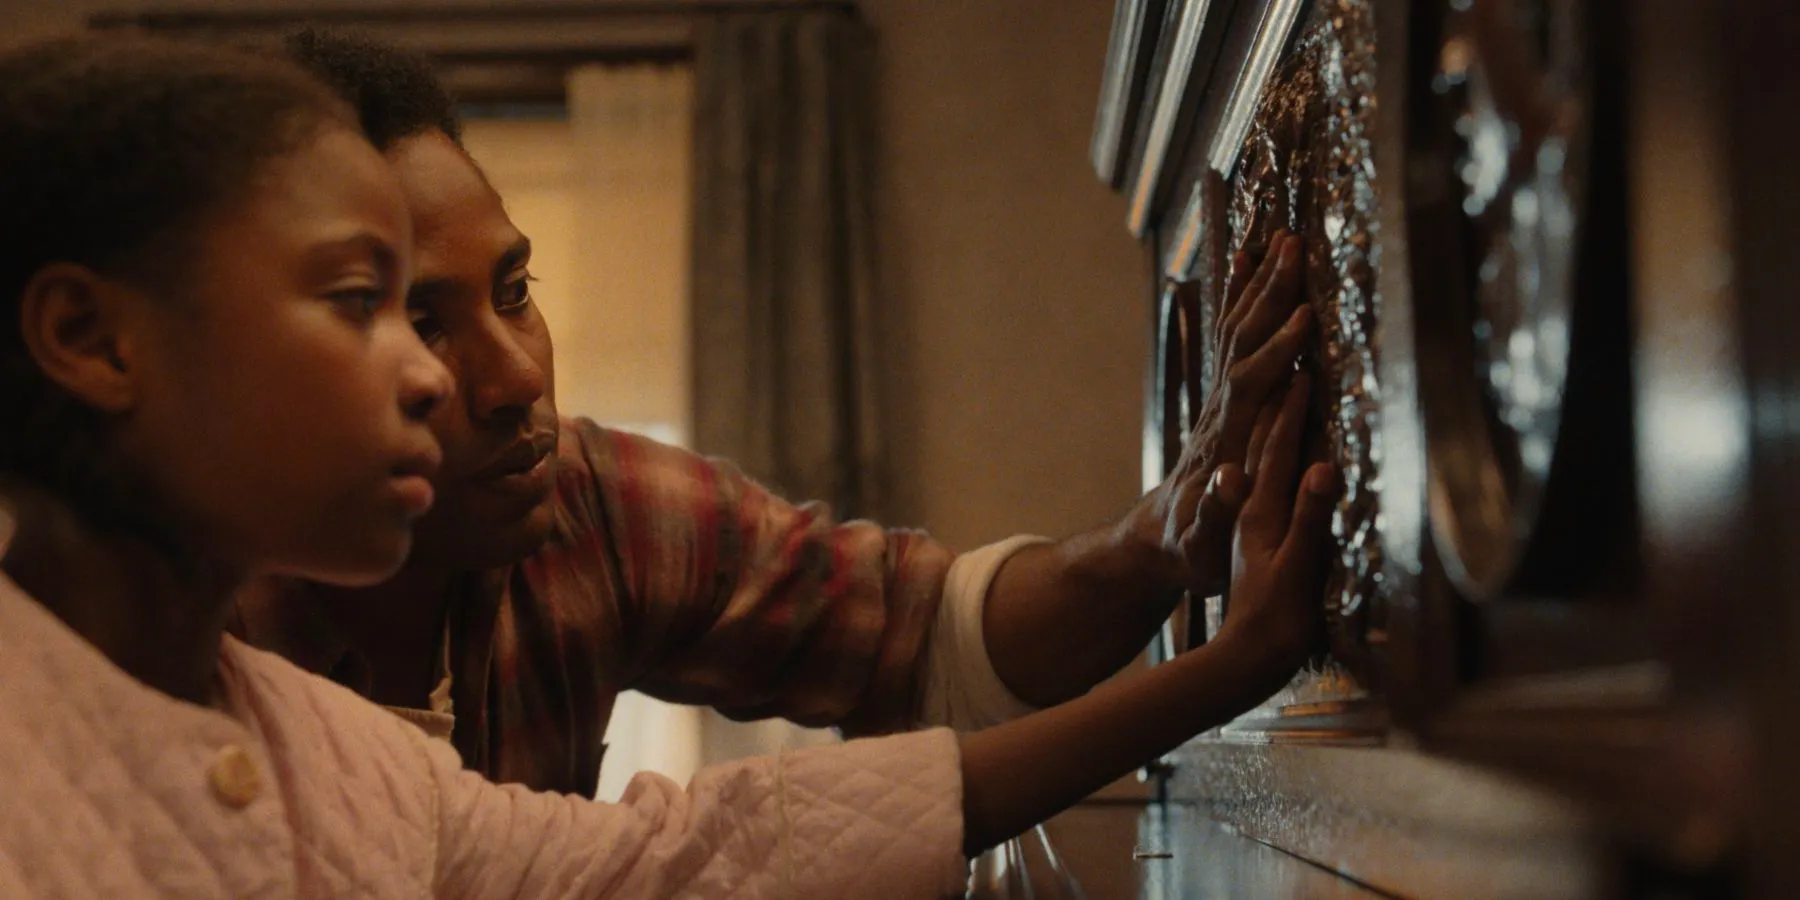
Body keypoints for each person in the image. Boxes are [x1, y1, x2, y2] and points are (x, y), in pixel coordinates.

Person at [0, 33, 1336, 898]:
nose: (485, 378)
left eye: (507, 292)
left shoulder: (348, 756)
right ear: (86, 338)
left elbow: (710, 843)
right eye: (374, 304)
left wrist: (1192, 590)